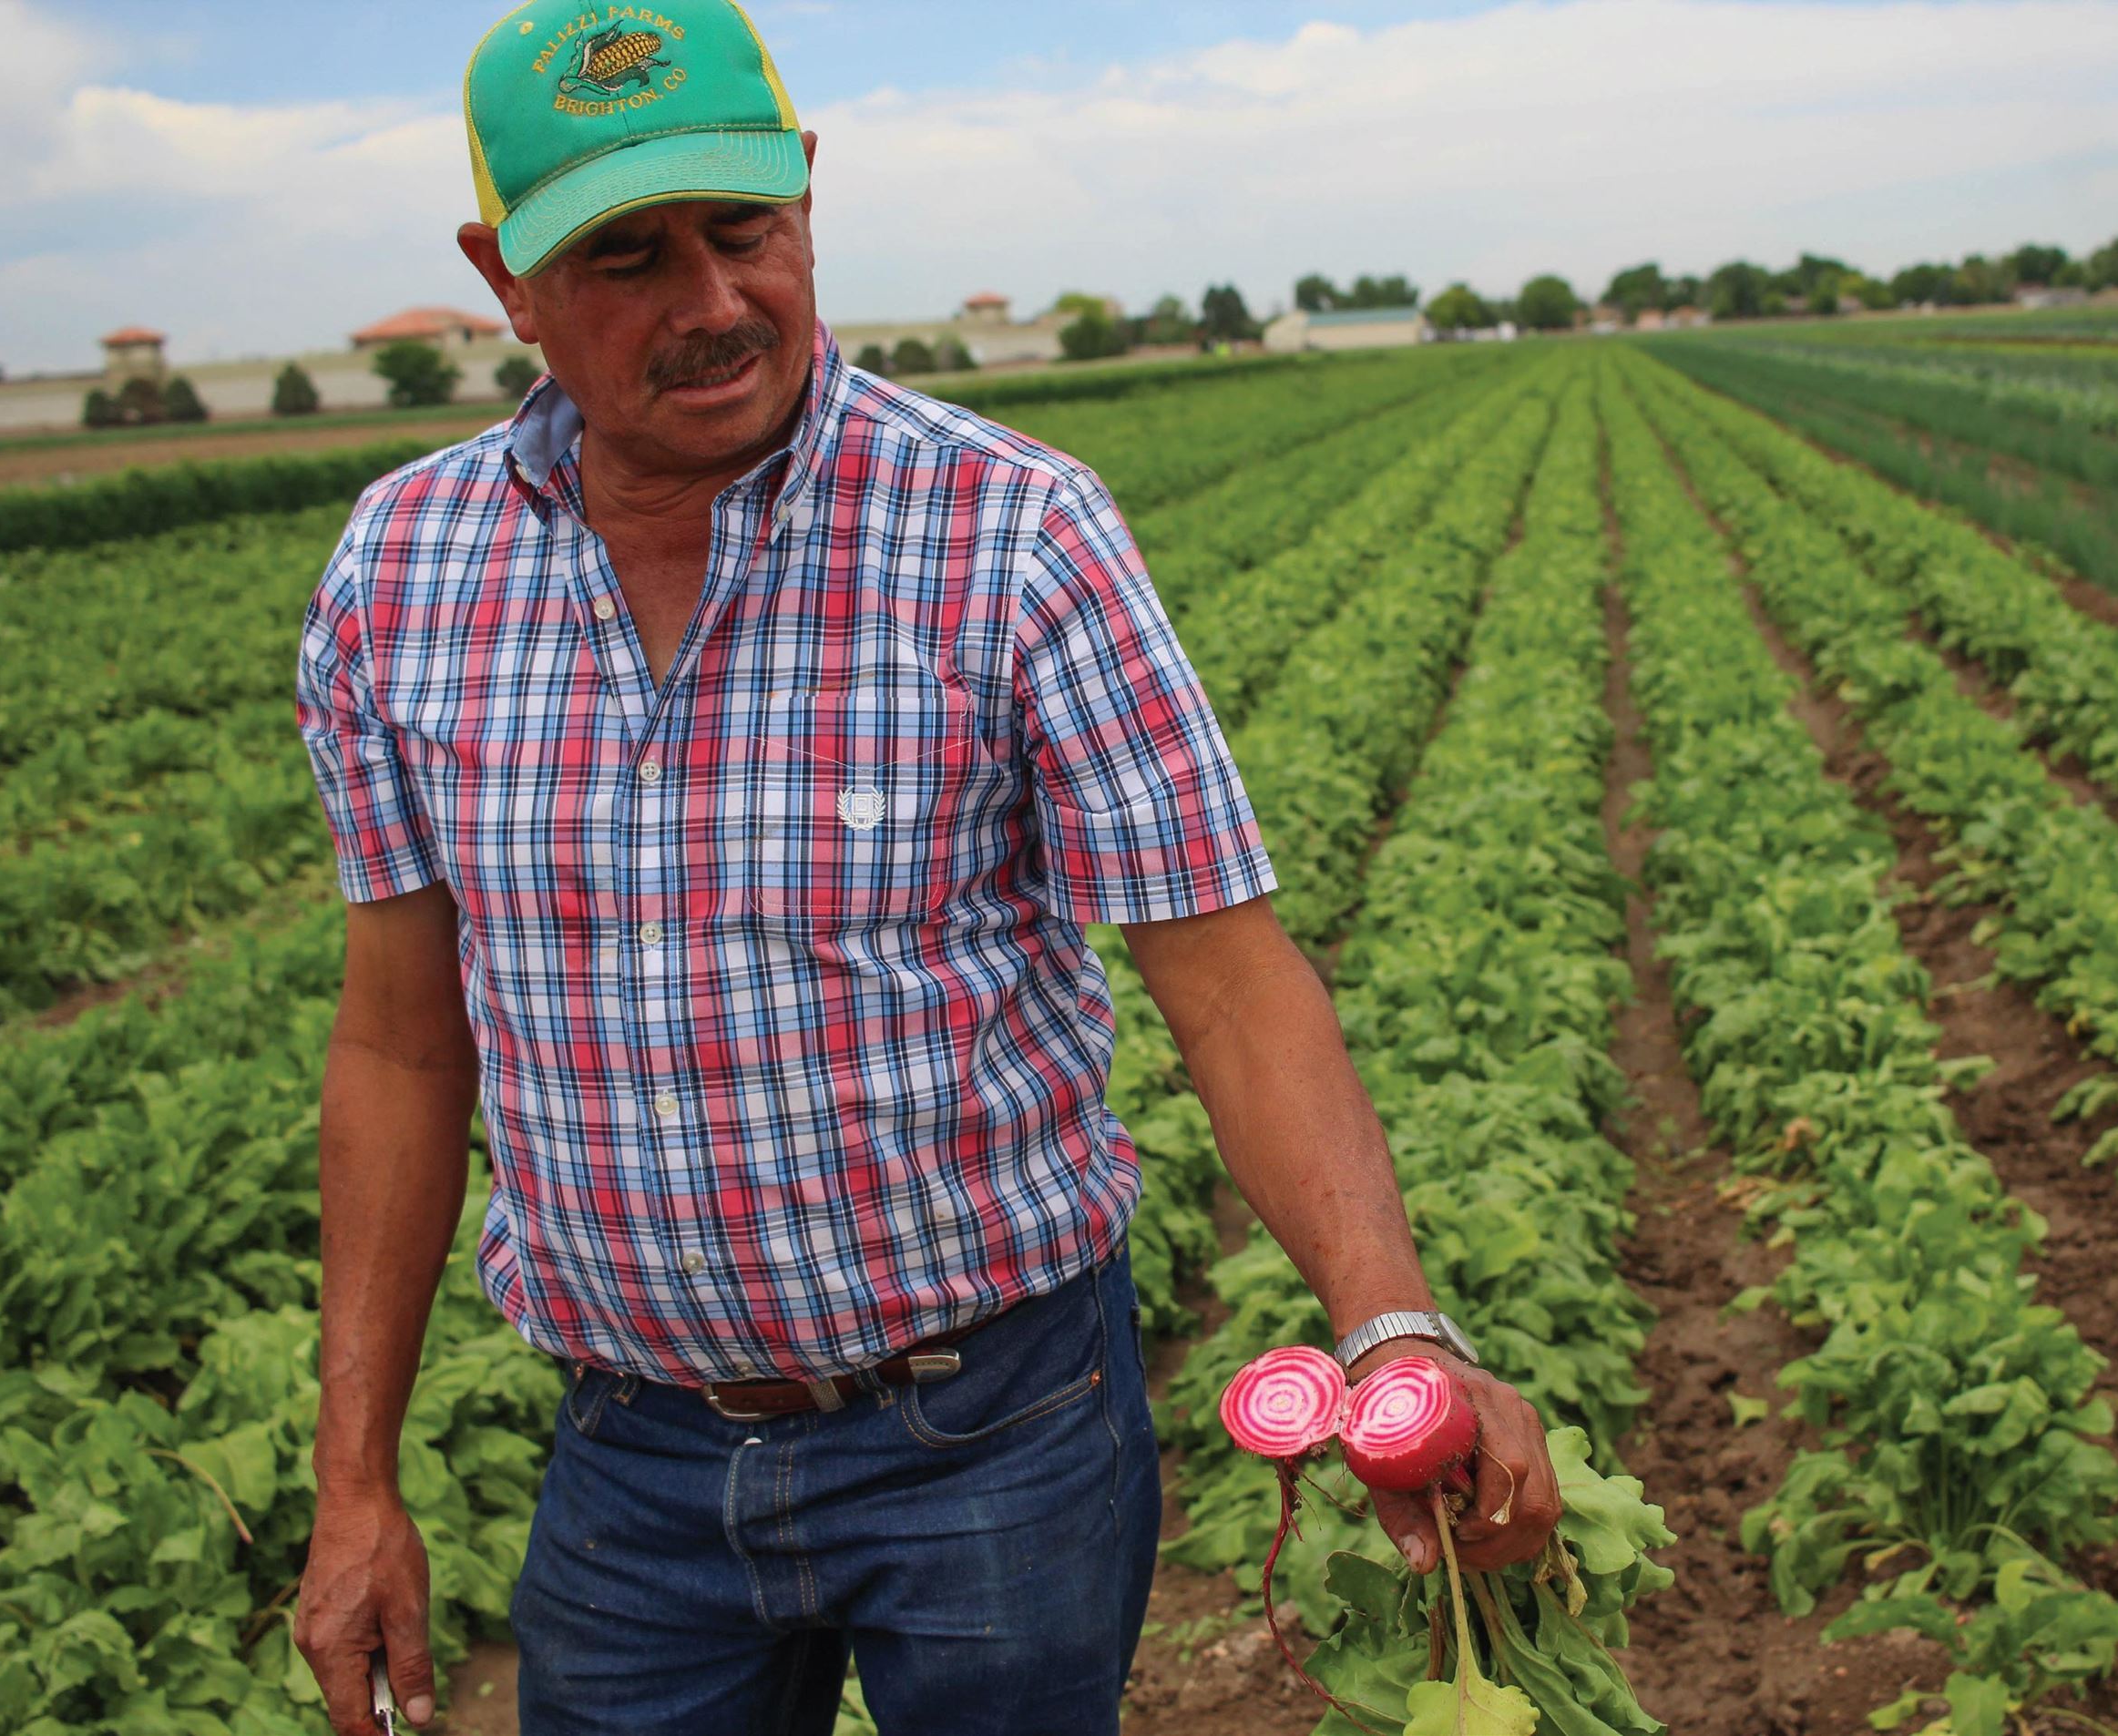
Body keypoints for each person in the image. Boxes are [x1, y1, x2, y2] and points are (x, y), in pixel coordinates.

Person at [290, 4, 1559, 1732]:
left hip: (997, 1437)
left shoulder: (1010, 530)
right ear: (503, 280)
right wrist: (352, 1479)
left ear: (806, 196)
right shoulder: (400, 571)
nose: (714, 300)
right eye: (626, 255)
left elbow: (1233, 982)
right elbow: (397, 1042)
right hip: (630, 1455)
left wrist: (1392, 1336)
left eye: (743, 230)